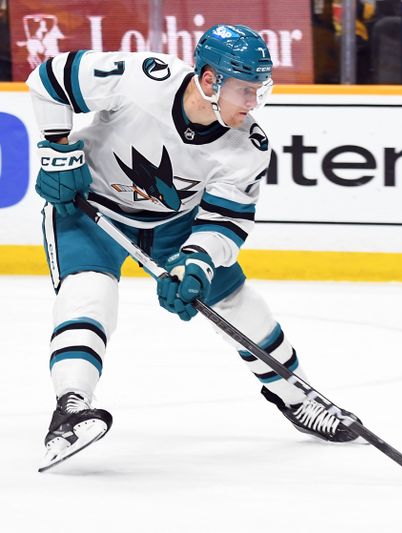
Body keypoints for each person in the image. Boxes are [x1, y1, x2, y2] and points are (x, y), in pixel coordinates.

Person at [27, 24, 360, 472]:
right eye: (244, 90)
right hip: (90, 208)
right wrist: (58, 148)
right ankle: (70, 409)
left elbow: (226, 221)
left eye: (258, 90)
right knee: (89, 293)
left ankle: (297, 398)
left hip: (173, 225)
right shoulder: (143, 79)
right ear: (209, 81)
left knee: (242, 305)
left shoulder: (248, 146)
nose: (253, 103)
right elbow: (49, 79)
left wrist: (196, 263)